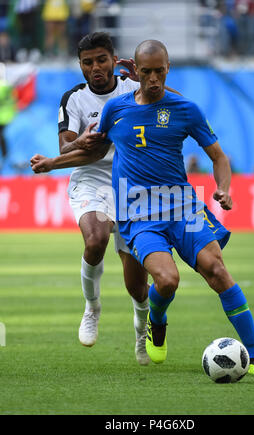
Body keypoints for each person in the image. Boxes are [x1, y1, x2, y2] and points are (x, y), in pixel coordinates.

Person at [32, 39, 254, 376]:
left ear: (167, 68)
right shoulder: (115, 109)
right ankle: (156, 321)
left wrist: (222, 188)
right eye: (145, 72)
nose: (152, 79)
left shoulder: (186, 109)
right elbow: (92, 153)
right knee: (167, 281)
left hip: (182, 207)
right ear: (135, 70)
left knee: (218, 272)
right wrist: (53, 162)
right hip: (138, 213)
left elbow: (219, 157)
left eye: (158, 71)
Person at [31, 32, 151, 366]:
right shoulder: (74, 99)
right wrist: (80, 141)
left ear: (115, 59)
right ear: (81, 66)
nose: (95, 67)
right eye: (88, 62)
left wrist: (143, 77)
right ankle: (92, 307)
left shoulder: (134, 89)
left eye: (101, 60)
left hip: (133, 183)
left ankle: (142, 331)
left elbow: (178, 104)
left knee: (137, 285)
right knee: (95, 240)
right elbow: (65, 148)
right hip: (92, 179)